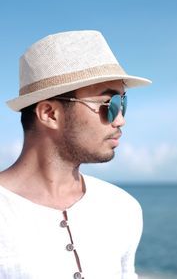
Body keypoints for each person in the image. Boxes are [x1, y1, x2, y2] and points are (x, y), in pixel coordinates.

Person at [0, 30, 151, 279]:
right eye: (109, 105)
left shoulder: (123, 209)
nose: (121, 120)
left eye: (122, 103)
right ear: (49, 114)